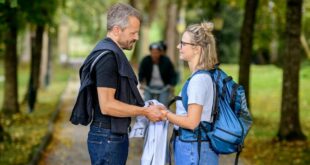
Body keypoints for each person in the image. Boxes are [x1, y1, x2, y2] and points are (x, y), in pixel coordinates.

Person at [71, 3, 166, 165]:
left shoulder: (110, 51)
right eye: (133, 32)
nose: (136, 37)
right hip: (108, 137)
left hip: (110, 136)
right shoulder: (108, 57)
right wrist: (144, 111)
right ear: (116, 30)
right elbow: (107, 105)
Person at [160, 22, 219, 165]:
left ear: (196, 49)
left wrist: (165, 114)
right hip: (199, 146)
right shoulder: (205, 76)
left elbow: (192, 122)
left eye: (183, 43)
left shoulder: (198, 80)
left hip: (193, 148)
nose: (178, 47)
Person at [138, 42, 177, 106]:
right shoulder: (145, 61)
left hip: (163, 88)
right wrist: (142, 82)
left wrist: (172, 85)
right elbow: (141, 73)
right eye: (153, 52)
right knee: (147, 104)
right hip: (149, 87)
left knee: (163, 104)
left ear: (160, 53)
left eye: (156, 52)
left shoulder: (166, 61)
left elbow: (172, 74)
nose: (154, 55)